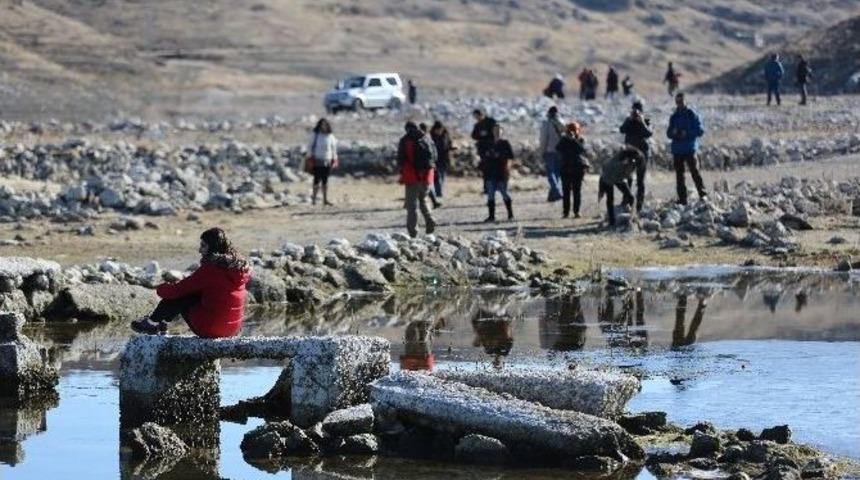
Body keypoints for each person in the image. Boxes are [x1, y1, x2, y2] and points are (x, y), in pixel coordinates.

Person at [130, 228, 251, 337]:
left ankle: (152, 323)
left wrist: (160, 287)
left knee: (181, 296)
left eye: (203, 246)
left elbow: (177, 290)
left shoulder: (212, 269)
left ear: (213, 247)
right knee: (193, 294)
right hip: (232, 329)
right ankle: (160, 323)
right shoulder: (238, 268)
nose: (199, 250)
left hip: (212, 329)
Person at [397, 122, 437, 237]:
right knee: (423, 199)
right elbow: (435, 156)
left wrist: (402, 171)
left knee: (411, 205)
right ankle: (430, 219)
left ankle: (413, 232)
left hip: (412, 176)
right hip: (427, 175)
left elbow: (400, 159)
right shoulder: (427, 138)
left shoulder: (405, 140)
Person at [667, 92, 707, 205]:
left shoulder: (692, 114)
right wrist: (674, 133)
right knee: (679, 176)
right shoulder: (674, 116)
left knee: (695, 172)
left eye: (681, 101)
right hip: (677, 150)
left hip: (690, 148)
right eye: (677, 102)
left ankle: (703, 195)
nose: (679, 104)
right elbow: (668, 133)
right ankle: (682, 199)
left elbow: (700, 130)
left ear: (685, 101)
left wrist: (687, 133)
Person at [619, 101, 653, 212]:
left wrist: (642, 122)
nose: (636, 113)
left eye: (638, 111)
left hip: (642, 154)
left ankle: (639, 204)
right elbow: (622, 129)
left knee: (640, 181)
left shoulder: (646, 121)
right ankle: (626, 200)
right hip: (630, 153)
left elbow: (649, 133)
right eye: (634, 110)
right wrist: (629, 120)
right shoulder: (628, 121)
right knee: (627, 178)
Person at [598, 146, 642, 227]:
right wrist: (602, 190)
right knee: (610, 199)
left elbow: (628, 176)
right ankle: (611, 221)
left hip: (619, 177)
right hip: (608, 177)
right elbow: (609, 176)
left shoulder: (631, 162)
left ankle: (634, 217)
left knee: (630, 197)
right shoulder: (617, 165)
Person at [481, 123, 514, 222]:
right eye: (495, 130)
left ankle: (510, 214)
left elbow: (510, 156)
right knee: (490, 194)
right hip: (491, 172)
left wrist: (501, 157)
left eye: (499, 130)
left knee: (504, 193)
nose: (497, 132)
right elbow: (484, 155)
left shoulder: (505, 143)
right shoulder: (489, 143)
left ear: (502, 132)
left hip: (501, 172)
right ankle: (491, 216)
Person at [555, 122, 589, 218]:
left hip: (577, 168)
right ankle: (566, 212)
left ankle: (576, 211)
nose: (571, 133)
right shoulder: (563, 140)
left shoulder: (580, 140)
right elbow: (558, 148)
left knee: (576, 191)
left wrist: (574, 140)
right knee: (566, 191)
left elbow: (582, 150)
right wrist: (566, 139)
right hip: (565, 168)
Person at [307, 118, 338, 206]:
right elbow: (310, 146)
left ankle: (325, 199)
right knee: (316, 180)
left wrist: (335, 159)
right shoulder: (315, 135)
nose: (323, 127)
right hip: (317, 160)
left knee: (325, 180)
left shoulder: (330, 136)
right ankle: (314, 199)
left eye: (325, 125)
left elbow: (333, 148)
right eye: (321, 125)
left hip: (327, 160)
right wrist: (309, 157)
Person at [538, 106, 564, 202]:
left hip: (549, 151)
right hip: (560, 151)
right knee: (557, 174)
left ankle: (557, 192)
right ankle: (552, 195)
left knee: (550, 173)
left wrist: (541, 152)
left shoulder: (546, 124)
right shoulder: (562, 122)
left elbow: (543, 139)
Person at [471, 108, 497, 193]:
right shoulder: (477, 125)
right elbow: (473, 135)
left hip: (492, 149)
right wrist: (480, 135)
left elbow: (497, 133)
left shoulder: (491, 122)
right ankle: (487, 188)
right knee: (485, 170)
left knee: (493, 169)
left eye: (477, 116)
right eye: (475, 117)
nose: (477, 118)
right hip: (482, 150)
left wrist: (487, 134)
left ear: (481, 115)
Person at [430, 121, 453, 201]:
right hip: (435, 159)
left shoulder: (446, 135)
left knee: (442, 176)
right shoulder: (431, 137)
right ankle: (438, 192)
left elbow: (449, 144)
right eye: (437, 130)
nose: (439, 131)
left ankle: (439, 191)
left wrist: (451, 148)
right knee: (437, 176)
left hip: (444, 158)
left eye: (440, 130)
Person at [419, 123, 441, 209]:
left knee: (426, 185)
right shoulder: (428, 139)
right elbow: (434, 153)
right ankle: (433, 201)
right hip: (429, 165)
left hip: (425, 166)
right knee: (428, 184)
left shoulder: (423, 139)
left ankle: (432, 202)